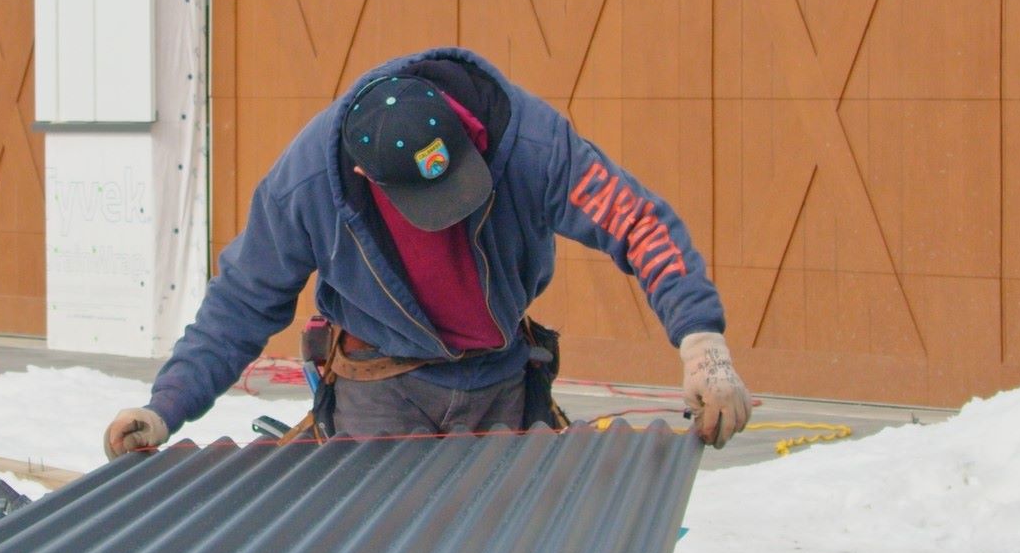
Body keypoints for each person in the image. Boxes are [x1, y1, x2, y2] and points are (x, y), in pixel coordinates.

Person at [103, 46, 752, 452]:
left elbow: (637, 221)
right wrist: (165, 408)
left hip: (497, 375)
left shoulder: (528, 145)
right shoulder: (308, 186)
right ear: (368, 179)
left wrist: (702, 343)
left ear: (467, 134)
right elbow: (241, 303)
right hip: (380, 387)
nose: (448, 221)